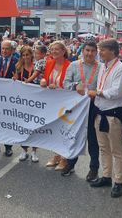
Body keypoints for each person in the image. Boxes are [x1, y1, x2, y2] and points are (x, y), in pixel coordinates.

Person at [89, 38, 122, 198]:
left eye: (103, 50)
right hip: (100, 112)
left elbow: (116, 92)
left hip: (113, 115)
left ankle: (118, 182)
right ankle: (106, 176)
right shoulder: (103, 67)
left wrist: (97, 93)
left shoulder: (121, 69)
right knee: (104, 148)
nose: (100, 52)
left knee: (116, 150)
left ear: (112, 51)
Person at [61, 41, 100, 182]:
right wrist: (75, 85)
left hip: (94, 108)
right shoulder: (73, 65)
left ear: (96, 52)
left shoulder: (101, 68)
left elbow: (103, 87)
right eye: (87, 50)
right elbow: (65, 84)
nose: (89, 53)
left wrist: (95, 92)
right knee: (74, 136)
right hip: (76, 109)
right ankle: (70, 164)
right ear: (82, 51)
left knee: (93, 139)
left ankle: (94, 168)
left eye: (92, 51)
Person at [40, 41, 71, 171]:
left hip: (66, 103)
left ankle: (65, 158)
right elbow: (45, 79)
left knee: (65, 131)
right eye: (52, 49)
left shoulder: (70, 65)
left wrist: (59, 87)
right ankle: (56, 155)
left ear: (63, 51)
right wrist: (43, 81)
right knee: (54, 130)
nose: (53, 51)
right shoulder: (49, 63)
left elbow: (71, 85)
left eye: (57, 49)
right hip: (52, 104)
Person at [12, 46, 39, 162]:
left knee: (34, 128)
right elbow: (16, 82)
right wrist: (15, 79)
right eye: (23, 55)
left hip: (35, 101)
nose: (25, 57)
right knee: (23, 127)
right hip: (22, 101)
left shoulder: (37, 66)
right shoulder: (18, 67)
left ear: (31, 55)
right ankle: (24, 150)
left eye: (27, 55)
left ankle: (34, 151)